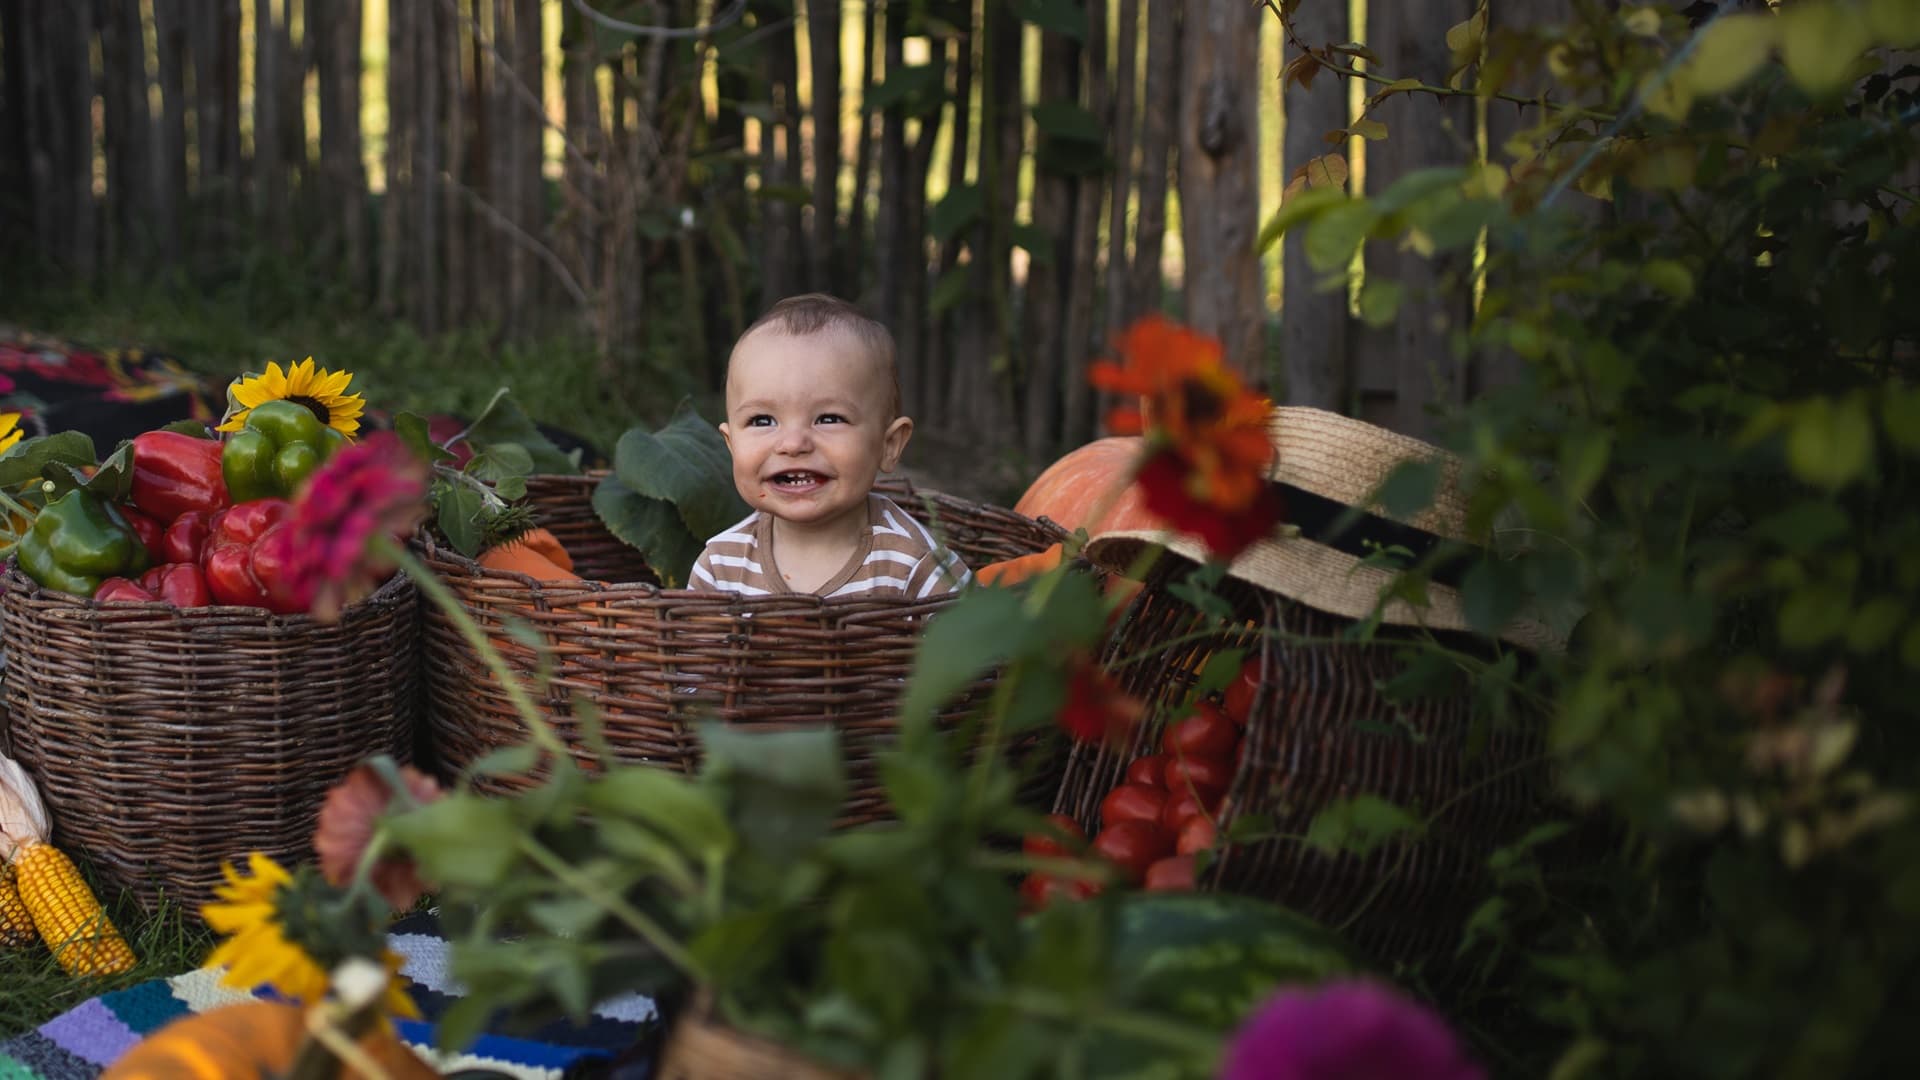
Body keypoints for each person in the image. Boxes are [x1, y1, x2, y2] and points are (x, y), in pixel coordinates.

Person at [690, 294, 972, 599]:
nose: (794, 444)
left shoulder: (916, 566)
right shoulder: (720, 567)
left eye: (828, 418)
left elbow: (972, 642)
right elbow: (695, 647)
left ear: (889, 444)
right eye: (762, 421)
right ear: (731, 445)